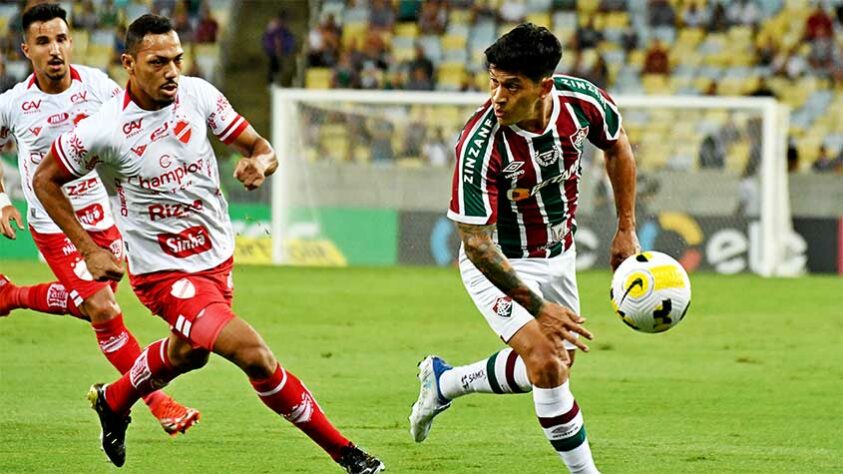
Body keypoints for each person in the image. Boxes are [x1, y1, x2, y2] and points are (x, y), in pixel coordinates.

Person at [32, 14, 384, 473]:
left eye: (177, 59)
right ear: (129, 65)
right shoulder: (104, 128)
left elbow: (261, 147)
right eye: (158, 62)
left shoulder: (198, 95)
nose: (172, 71)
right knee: (255, 355)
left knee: (189, 353)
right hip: (162, 273)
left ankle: (114, 401)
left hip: (215, 260)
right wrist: (88, 249)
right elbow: (45, 180)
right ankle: (349, 455)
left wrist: (261, 163)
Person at [409, 24, 640, 473]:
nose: (498, 96)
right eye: (493, 81)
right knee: (547, 363)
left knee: (550, 366)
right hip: (498, 261)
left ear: (544, 86)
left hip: (559, 254)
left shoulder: (584, 102)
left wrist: (626, 228)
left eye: (512, 86)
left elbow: (618, 148)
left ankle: (446, 382)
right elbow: (475, 243)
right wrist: (537, 305)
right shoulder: (479, 145)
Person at [0, 3, 198, 437]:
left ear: (71, 42)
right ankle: (157, 402)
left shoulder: (98, 87)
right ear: (25, 50)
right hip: (54, 225)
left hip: (103, 216)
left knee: (94, 305)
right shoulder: (13, 105)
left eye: (61, 39)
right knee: (104, 309)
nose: (55, 50)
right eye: (43, 42)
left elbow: (136, 125)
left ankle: (10, 296)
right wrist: (3, 201)